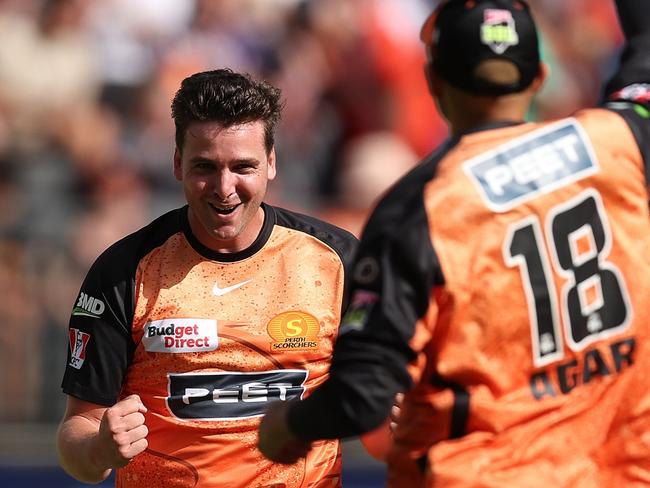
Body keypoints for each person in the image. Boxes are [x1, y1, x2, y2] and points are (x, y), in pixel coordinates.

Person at [258, 0, 650, 486]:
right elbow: (645, 56)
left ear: (434, 82)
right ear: (540, 77)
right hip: (620, 469)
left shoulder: (419, 207)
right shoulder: (619, 140)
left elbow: (363, 394)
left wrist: (289, 427)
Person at [56, 68, 362, 487]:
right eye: (205, 166)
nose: (224, 187)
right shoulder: (124, 270)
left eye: (243, 166)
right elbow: (77, 434)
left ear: (271, 163)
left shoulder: (337, 260)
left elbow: (387, 410)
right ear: (178, 163)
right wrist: (99, 449)